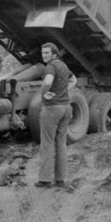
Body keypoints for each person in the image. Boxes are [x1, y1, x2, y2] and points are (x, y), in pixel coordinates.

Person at [35, 42, 76, 189]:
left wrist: (43, 92)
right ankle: (61, 179)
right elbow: (74, 80)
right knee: (61, 144)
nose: (44, 55)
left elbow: (48, 81)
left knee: (46, 143)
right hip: (66, 108)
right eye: (43, 53)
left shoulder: (50, 66)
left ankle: (45, 180)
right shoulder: (63, 66)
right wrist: (63, 92)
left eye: (47, 53)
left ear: (54, 54)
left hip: (52, 109)